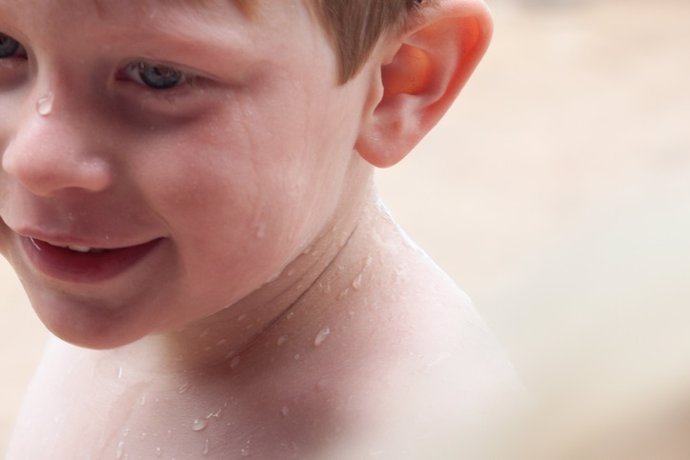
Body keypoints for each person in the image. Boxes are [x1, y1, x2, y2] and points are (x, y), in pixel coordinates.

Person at [0, 0, 519, 458]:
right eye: (4, 46)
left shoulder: (423, 434)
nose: (36, 159)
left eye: (158, 74)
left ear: (399, 86)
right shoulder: (144, 274)